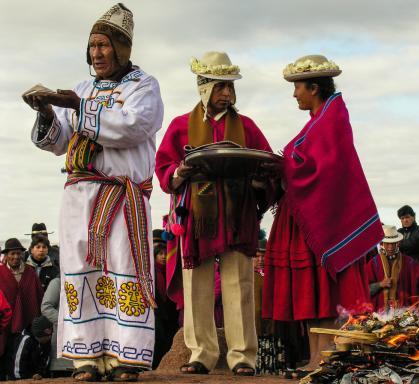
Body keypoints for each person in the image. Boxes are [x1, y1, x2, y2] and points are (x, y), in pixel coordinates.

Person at [22, 4, 163, 381]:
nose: (97, 53)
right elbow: (60, 141)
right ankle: (87, 356)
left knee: (122, 268)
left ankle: (124, 357)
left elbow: (131, 127)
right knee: (81, 270)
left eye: (103, 45)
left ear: (122, 48)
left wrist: (76, 106)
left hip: (120, 198)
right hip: (78, 196)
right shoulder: (83, 88)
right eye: (92, 46)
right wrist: (49, 111)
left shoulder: (143, 86)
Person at [262, 55, 383, 377]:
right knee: (313, 294)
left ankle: (325, 359)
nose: (294, 95)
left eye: (297, 88)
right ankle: (316, 357)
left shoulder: (333, 120)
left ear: (314, 88)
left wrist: (284, 165)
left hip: (321, 222)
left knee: (324, 292)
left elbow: (328, 169)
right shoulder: (320, 119)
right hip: (306, 217)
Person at [155, 51, 274, 376]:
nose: (227, 94)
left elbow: (266, 162)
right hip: (198, 216)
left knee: (240, 284)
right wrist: (180, 171)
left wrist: (262, 179)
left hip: (238, 213)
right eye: (221, 87)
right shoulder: (181, 126)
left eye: (230, 87)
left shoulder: (247, 127)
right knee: (198, 285)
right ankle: (202, 353)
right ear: (204, 87)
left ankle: (242, 356)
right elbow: (164, 167)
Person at [0, 238, 44, 376]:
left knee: (23, 353)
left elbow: (38, 296)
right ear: (6, 255)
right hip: (4, 325)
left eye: (18, 253)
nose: (16, 257)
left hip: (27, 322)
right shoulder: (0, 272)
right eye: (12, 254)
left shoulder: (30, 272)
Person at [366, 225, 419, 312]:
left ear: (398, 243)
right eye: (387, 243)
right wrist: (380, 284)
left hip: (404, 311)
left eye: (393, 243)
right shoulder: (373, 263)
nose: (390, 247)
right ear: (382, 243)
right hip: (379, 313)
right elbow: (365, 290)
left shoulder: (409, 262)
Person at [151, 230, 178, 369]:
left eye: (165, 253)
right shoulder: (150, 271)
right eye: (160, 253)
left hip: (170, 312)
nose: (163, 257)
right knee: (158, 339)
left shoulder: (172, 270)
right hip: (155, 311)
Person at [41, 277, 74, 377]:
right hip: (63, 360)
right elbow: (46, 307)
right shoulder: (58, 282)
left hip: (89, 356)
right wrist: (67, 322)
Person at [5, 315, 52, 380]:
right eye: (46, 335)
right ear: (39, 334)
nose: (49, 337)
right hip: (20, 378)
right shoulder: (25, 340)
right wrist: (29, 377)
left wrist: (40, 374)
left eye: (50, 334)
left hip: (37, 378)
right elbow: (17, 366)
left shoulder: (46, 342)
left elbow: (46, 360)